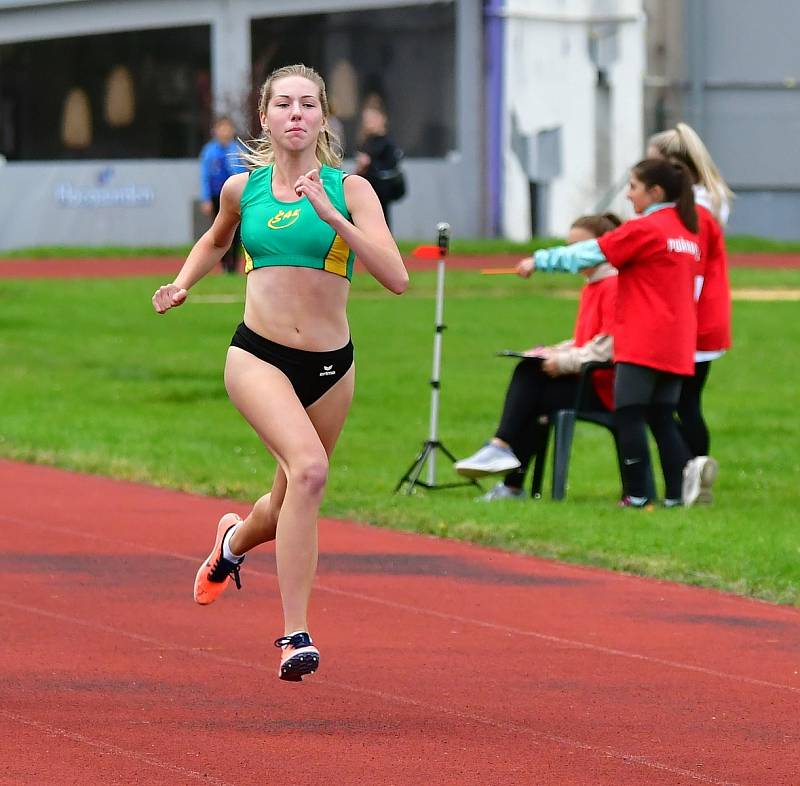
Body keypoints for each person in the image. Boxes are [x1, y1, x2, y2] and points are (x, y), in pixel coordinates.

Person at [152, 64, 408, 681]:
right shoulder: (244, 189)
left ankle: (232, 543)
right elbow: (216, 240)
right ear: (264, 117)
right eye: (284, 104)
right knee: (312, 470)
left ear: (323, 118)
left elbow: (396, 278)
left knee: (286, 499)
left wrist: (333, 212)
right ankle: (296, 634)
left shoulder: (353, 192)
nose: (297, 113)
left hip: (330, 366)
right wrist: (183, 283)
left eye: (309, 104)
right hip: (258, 357)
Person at [517, 159, 702, 508]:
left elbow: (593, 252)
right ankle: (677, 497)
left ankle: (637, 496)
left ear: (655, 191)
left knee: (628, 413)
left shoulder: (646, 228)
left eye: (633, 186)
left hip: (643, 339)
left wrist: (540, 260)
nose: (628, 194)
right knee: (662, 417)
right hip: (678, 341)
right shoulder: (687, 232)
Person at [454, 213, 620, 501]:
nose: (571, 254)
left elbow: (608, 347)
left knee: (530, 381)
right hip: (589, 377)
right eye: (568, 247)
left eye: (578, 247)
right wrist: (554, 351)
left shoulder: (613, 285)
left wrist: (564, 361)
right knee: (532, 382)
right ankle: (509, 477)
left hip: (603, 385)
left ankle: (504, 459)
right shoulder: (594, 285)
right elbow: (587, 340)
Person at [647, 123, 734, 504]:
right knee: (687, 402)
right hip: (707, 314)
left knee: (669, 404)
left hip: (691, 317)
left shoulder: (693, 211)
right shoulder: (710, 201)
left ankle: (688, 474)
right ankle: (697, 473)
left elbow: (686, 266)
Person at [199, 116, 247, 273]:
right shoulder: (209, 151)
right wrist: (206, 198)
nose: (224, 131)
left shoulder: (238, 150)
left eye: (227, 127)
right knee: (220, 232)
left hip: (237, 196)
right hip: (216, 196)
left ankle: (233, 266)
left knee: (237, 231)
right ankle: (224, 265)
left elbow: (247, 173)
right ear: (216, 131)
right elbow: (205, 176)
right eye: (221, 127)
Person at [355, 103, 405, 229]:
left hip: (382, 190)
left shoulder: (387, 142)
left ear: (382, 119)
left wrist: (370, 163)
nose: (368, 123)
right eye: (366, 120)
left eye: (372, 119)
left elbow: (391, 165)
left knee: (382, 219)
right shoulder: (367, 141)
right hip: (368, 186)